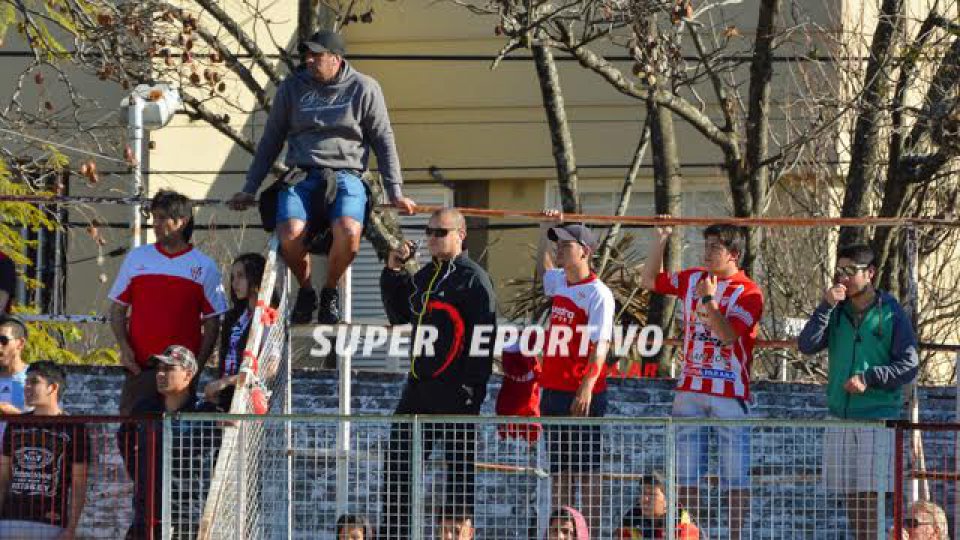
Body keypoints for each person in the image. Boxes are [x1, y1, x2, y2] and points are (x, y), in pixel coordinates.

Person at [229, 29, 416, 325]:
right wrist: (249, 188)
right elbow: (271, 140)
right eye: (307, 55)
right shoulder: (292, 87)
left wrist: (395, 192)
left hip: (347, 174)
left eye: (317, 55)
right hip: (301, 175)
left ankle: (330, 290)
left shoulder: (364, 88)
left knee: (349, 230)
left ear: (336, 59)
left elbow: (384, 140)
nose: (310, 60)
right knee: (288, 232)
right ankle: (306, 292)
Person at [639, 223, 763, 540]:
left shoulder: (749, 292)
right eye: (705, 245)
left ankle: (735, 536)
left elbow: (727, 335)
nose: (706, 252)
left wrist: (708, 301)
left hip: (730, 391)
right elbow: (649, 280)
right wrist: (660, 240)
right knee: (685, 475)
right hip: (690, 388)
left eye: (715, 247)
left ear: (734, 254)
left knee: (735, 477)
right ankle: (690, 533)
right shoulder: (693, 276)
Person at [379, 208, 497, 539]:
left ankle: (457, 535)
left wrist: (472, 388)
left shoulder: (473, 278)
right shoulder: (425, 275)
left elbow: (484, 339)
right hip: (418, 389)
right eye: (429, 231)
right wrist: (394, 270)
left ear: (461, 235)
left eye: (440, 232)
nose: (432, 237)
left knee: (459, 475)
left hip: (457, 391)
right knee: (399, 465)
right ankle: (396, 534)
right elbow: (400, 314)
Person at [798, 243, 918, 540]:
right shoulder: (835, 310)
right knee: (851, 495)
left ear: (870, 273)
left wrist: (870, 377)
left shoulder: (891, 313)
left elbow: (909, 364)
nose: (843, 278)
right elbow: (806, 345)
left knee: (870, 494)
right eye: (839, 270)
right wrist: (825, 307)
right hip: (840, 415)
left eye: (850, 271)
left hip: (877, 418)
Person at [109, 189, 228, 415]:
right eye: (155, 218)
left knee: (177, 441)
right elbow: (117, 309)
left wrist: (196, 369)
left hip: (179, 375)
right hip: (140, 370)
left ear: (182, 222)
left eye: (162, 218)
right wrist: (124, 349)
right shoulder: (137, 258)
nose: (156, 224)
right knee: (130, 436)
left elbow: (213, 324)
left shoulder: (205, 266)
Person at [535, 212, 615, 533]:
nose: (559, 250)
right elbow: (545, 270)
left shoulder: (598, 293)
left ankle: (588, 533)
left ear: (585, 251)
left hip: (581, 393)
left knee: (587, 472)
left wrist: (586, 388)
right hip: (552, 389)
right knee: (561, 472)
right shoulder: (560, 282)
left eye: (566, 245)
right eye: (558, 245)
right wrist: (544, 229)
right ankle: (561, 532)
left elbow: (601, 345)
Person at [118, 345, 223, 539]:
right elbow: (124, 438)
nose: (160, 374)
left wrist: (226, 383)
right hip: (147, 510)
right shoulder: (144, 408)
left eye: (169, 368)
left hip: (186, 514)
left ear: (188, 374)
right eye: (159, 369)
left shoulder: (204, 413)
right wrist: (139, 473)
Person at [0, 361, 89, 540]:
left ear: (53, 387)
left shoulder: (74, 427)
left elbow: (79, 485)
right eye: (26, 381)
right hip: (9, 520)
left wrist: (71, 529)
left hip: (50, 522)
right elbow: (3, 478)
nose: (26, 387)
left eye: (34, 382)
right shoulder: (16, 424)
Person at [204, 253, 269, 411]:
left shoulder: (268, 316)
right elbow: (226, 355)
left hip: (250, 396)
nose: (235, 283)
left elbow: (268, 368)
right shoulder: (234, 316)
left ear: (256, 277)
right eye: (233, 277)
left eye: (241, 276)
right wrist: (220, 383)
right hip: (226, 395)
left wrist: (226, 381)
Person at [614, 473, 700, 539]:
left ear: (668, 500)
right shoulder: (629, 522)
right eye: (643, 493)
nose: (644, 499)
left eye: (652, 494)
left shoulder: (686, 527)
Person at [0, 316, 28, 425]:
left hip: (22, 441)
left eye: (3, 340)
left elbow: (51, 423)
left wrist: (16, 416)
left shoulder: (36, 379)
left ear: (20, 343)